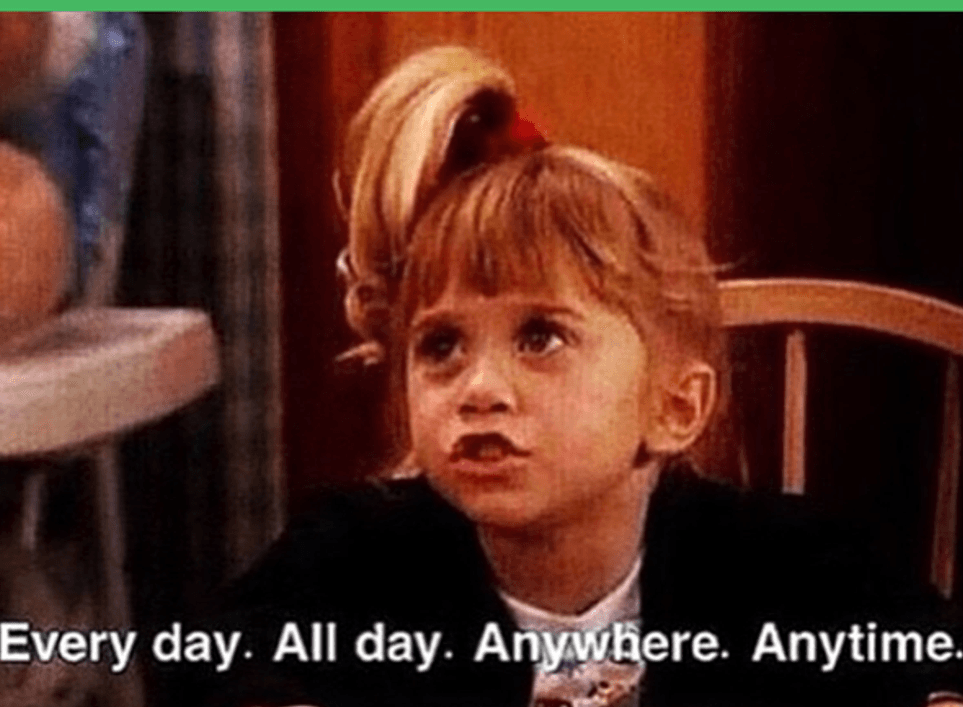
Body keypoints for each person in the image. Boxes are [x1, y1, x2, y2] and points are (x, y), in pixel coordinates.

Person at [182, 47, 963, 707]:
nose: (479, 387)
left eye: (541, 336)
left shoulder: (779, 566)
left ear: (675, 405)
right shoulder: (357, 554)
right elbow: (221, 663)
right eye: (442, 345)